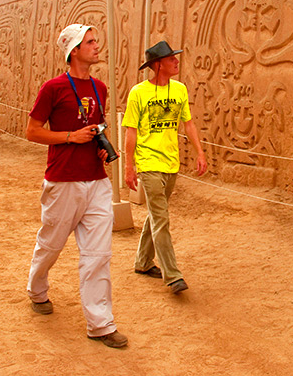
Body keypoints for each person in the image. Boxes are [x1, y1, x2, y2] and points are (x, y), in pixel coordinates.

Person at [25, 23, 127, 349]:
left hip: (96, 181)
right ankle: (36, 288)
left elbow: (96, 125)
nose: (97, 46)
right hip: (63, 180)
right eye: (90, 41)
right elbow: (33, 131)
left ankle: (101, 324)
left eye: (96, 40)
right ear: (73, 50)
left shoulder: (100, 87)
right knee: (52, 244)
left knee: (98, 254)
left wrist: (102, 145)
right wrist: (70, 137)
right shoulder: (53, 88)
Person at [122, 40, 208, 294]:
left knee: (156, 215)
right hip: (148, 162)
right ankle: (172, 275)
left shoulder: (180, 90)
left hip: (171, 163)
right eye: (171, 59)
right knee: (162, 217)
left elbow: (188, 124)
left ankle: (142, 261)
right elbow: (131, 131)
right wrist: (130, 166)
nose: (176, 61)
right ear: (158, 65)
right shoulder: (138, 93)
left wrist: (200, 153)